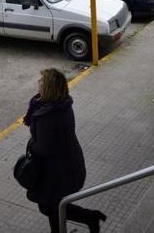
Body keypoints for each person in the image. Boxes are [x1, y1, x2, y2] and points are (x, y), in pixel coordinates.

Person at [24, 68, 107, 233]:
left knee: (48, 206)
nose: (38, 83)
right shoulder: (62, 104)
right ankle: (87, 219)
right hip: (66, 163)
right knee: (52, 204)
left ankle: (90, 218)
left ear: (48, 87)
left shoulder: (48, 115)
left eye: (41, 81)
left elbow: (43, 149)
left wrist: (31, 144)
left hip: (60, 171)